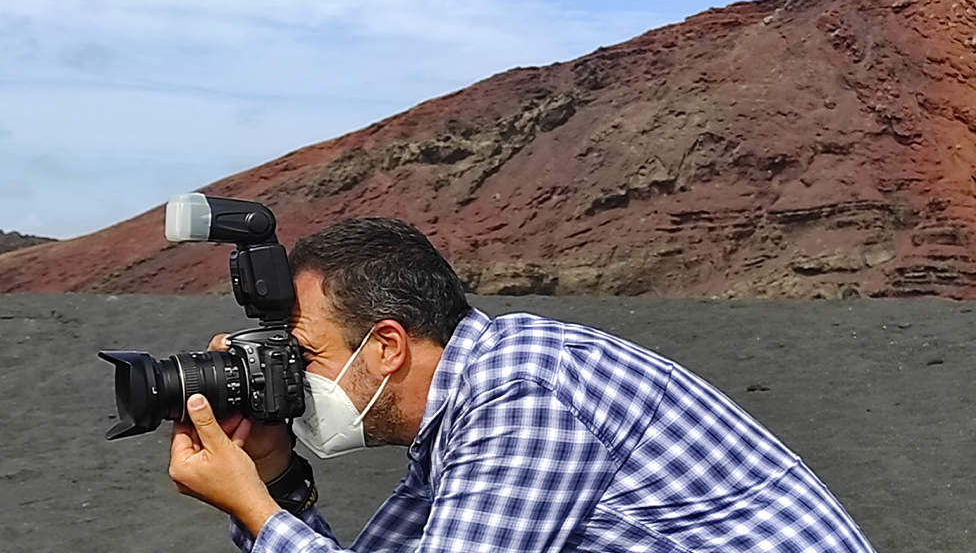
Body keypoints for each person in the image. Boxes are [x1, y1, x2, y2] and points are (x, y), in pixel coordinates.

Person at [168, 217, 877, 552]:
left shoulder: (525, 394)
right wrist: (273, 482)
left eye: (303, 355)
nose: (290, 382)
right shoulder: (462, 411)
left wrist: (259, 516)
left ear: (385, 346)